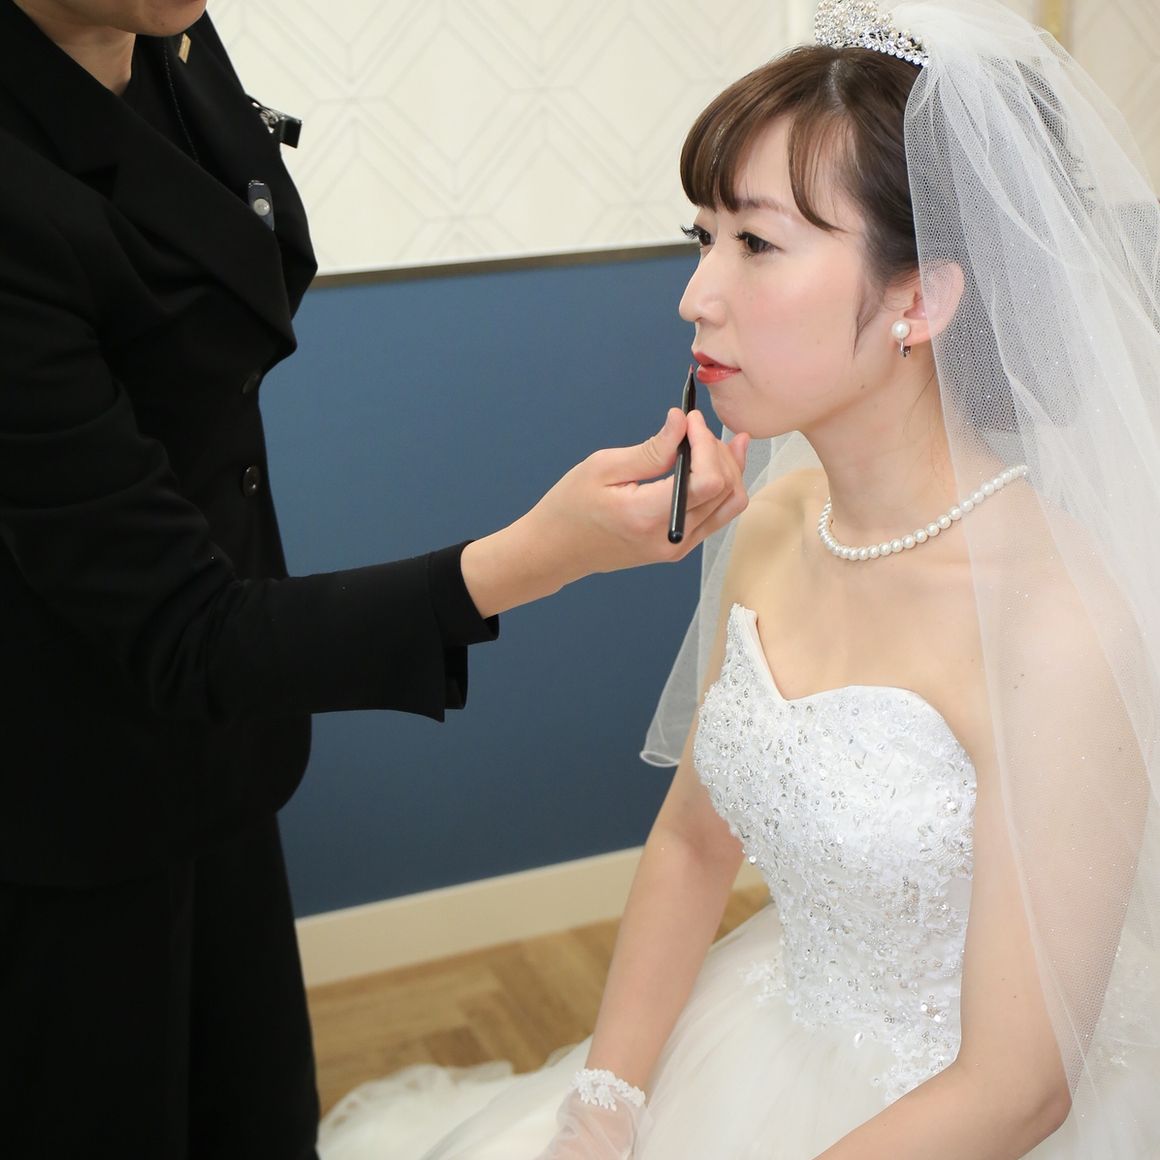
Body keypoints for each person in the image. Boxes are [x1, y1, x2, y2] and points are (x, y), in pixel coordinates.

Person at [315, 1, 1160, 1157]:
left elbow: (1016, 1087)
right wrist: (603, 1101)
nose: (694, 294)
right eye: (699, 235)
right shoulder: (772, 523)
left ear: (920, 297)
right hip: (770, 1026)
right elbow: (691, 841)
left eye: (755, 244)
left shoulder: (1054, 622)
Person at [0, 2, 751, 1158]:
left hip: (217, 744)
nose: (697, 293)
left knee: (257, 1110)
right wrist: (547, 549)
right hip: (63, 780)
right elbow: (184, 627)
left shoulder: (163, 31)